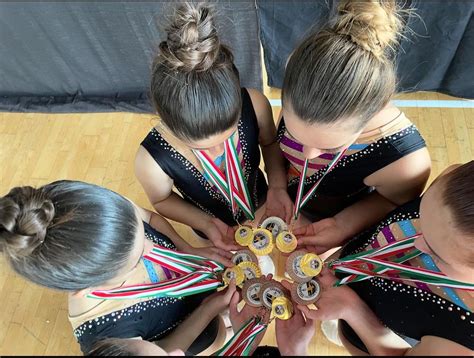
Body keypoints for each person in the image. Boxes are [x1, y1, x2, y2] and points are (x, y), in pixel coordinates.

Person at [0, 180, 233, 354]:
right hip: (197, 332)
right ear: (85, 287)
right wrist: (208, 310)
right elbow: (164, 350)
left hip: (202, 286)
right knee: (220, 336)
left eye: (143, 237)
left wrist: (187, 249)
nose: (152, 249)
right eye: (136, 260)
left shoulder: (105, 213)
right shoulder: (103, 332)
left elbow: (151, 219)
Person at [277, 0, 431, 255]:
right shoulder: (304, 91)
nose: (307, 154)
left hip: (333, 222)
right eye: (293, 134)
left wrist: (342, 226)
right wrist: (277, 187)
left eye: (329, 147)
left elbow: (390, 201)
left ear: (375, 110)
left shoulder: (404, 161)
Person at [135, 2, 291, 251]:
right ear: (168, 124)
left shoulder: (256, 104)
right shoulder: (151, 161)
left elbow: (270, 143)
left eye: (228, 137)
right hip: (209, 228)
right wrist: (206, 224)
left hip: (264, 201)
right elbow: (162, 199)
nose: (220, 151)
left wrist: (278, 186)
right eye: (202, 147)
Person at [298, 161, 474, 355]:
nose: (417, 244)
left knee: (345, 334)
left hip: (367, 335)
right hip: (346, 273)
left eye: (437, 254)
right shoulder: (459, 187)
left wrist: (353, 312)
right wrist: (342, 227)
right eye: (421, 217)